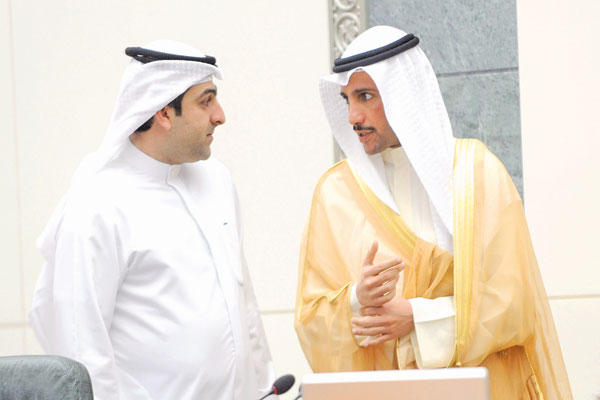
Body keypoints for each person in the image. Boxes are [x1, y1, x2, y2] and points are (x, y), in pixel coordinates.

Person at [294, 26, 572, 399]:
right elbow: (310, 320)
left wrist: (417, 318)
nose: (352, 117)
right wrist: (357, 298)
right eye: (347, 100)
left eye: (366, 96)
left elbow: (514, 304)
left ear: (403, 93)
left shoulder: (478, 175)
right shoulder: (335, 194)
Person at [30, 41, 276, 400]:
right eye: (206, 101)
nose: (220, 115)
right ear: (163, 113)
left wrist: (265, 389)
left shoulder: (217, 181)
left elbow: (244, 304)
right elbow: (81, 346)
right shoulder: (98, 204)